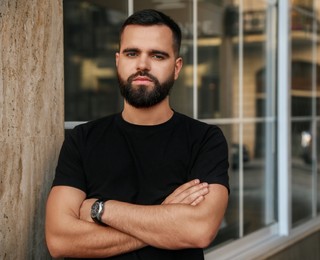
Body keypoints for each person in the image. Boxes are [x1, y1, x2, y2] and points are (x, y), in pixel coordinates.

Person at [45, 9, 229, 260]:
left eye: (157, 55)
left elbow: (199, 230)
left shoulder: (205, 139)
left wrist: (101, 209)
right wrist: (166, 217)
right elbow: (59, 240)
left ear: (176, 68)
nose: (142, 64)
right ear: (118, 61)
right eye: (132, 53)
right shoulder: (83, 139)